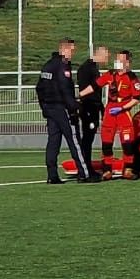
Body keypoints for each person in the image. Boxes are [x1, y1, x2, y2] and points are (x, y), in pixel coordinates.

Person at [37, 38, 94, 184]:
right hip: (62, 108)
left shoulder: (47, 66)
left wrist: (44, 107)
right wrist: (75, 108)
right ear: (64, 49)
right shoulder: (62, 66)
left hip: (50, 108)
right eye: (71, 50)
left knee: (53, 141)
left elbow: (39, 88)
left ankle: (52, 175)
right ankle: (84, 174)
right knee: (74, 140)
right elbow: (65, 89)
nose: (72, 53)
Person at [100, 51, 140, 176]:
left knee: (127, 142)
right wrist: (81, 94)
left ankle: (128, 169)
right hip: (110, 111)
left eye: (121, 60)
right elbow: (95, 85)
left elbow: (136, 99)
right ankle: (107, 169)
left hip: (123, 111)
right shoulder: (110, 74)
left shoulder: (133, 78)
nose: (118, 62)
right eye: (117, 59)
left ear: (127, 63)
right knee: (107, 141)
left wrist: (122, 108)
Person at [74, 44, 106, 165]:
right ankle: (85, 163)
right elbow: (87, 89)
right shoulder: (86, 68)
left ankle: (85, 163)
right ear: (98, 54)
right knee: (88, 136)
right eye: (105, 55)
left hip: (94, 106)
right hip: (88, 106)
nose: (106, 58)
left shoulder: (93, 68)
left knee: (90, 136)